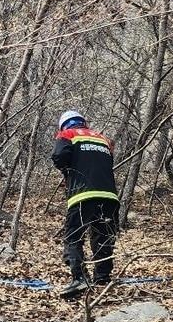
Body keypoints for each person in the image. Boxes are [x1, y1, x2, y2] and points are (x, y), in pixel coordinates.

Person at [50, 110, 120, 299]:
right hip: (109, 196)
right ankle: (103, 277)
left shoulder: (67, 134)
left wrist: (67, 170)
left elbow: (59, 156)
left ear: (64, 125)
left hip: (82, 195)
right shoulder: (103, 138)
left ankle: (80, 278)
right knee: (103, 236)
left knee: (73, 237)